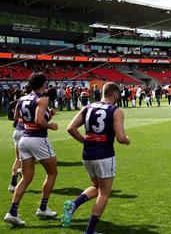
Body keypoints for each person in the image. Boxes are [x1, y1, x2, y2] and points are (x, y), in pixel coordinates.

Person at [61, 82, 130, 233]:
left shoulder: (88, 107)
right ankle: (90, 230)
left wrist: (85, 141)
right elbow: (120, 137)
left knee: (96, 186)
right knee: (104, 192)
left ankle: (74, 204)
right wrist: (127, 140)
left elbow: (70, 128)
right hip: (104, 154)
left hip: (87, 154)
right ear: (115, 94)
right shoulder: (116, 110)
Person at [4, 72, 58, 226]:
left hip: (24, 139)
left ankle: (12, 212)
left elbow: (16, 118)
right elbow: (39, 120)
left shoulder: (22, 98)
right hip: (38, 139)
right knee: (52, 172)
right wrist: (51, 125)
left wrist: (47, 116)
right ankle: (43, 208)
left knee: (26, 177)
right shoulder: (42, 99)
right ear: (43, 84)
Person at [8, 98, 21, 192]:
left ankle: (13, 184)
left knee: (18, 159)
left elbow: (15, 117)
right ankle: (20, 173)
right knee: (30, 161)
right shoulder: (35, 100)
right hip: (27, 133)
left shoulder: (20, 101)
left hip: (17, 131)